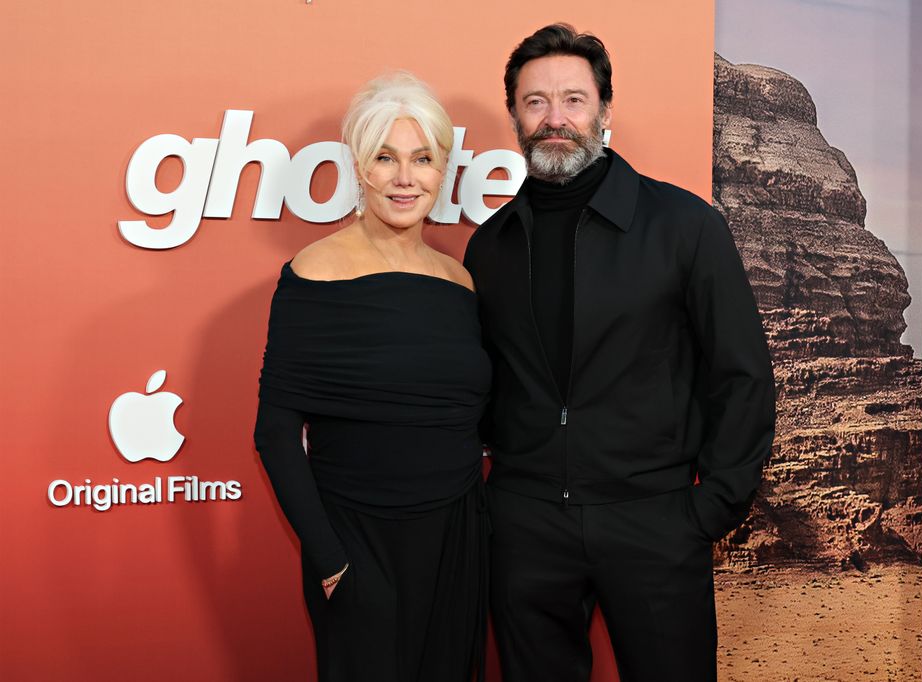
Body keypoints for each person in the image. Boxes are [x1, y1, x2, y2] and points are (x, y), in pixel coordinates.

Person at [463, 24, 776, 682]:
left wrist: (707, 511)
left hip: (655, 522)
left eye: (573, 100)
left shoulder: (686, 226)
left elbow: (742, 375)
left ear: (605, 110)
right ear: (515, 116)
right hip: (526, 525)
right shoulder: (489, 247)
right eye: (535, 101)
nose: (555, 119)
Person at [254, 73, 490, 682]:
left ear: (444, 171)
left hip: (457, 539)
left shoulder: (459, 281)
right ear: (359, 166)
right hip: (358, 544)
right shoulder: (315, 272)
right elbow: (276, 434)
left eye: (422, 159)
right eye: (385, 158)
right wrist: (331, 562)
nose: (405, 178)